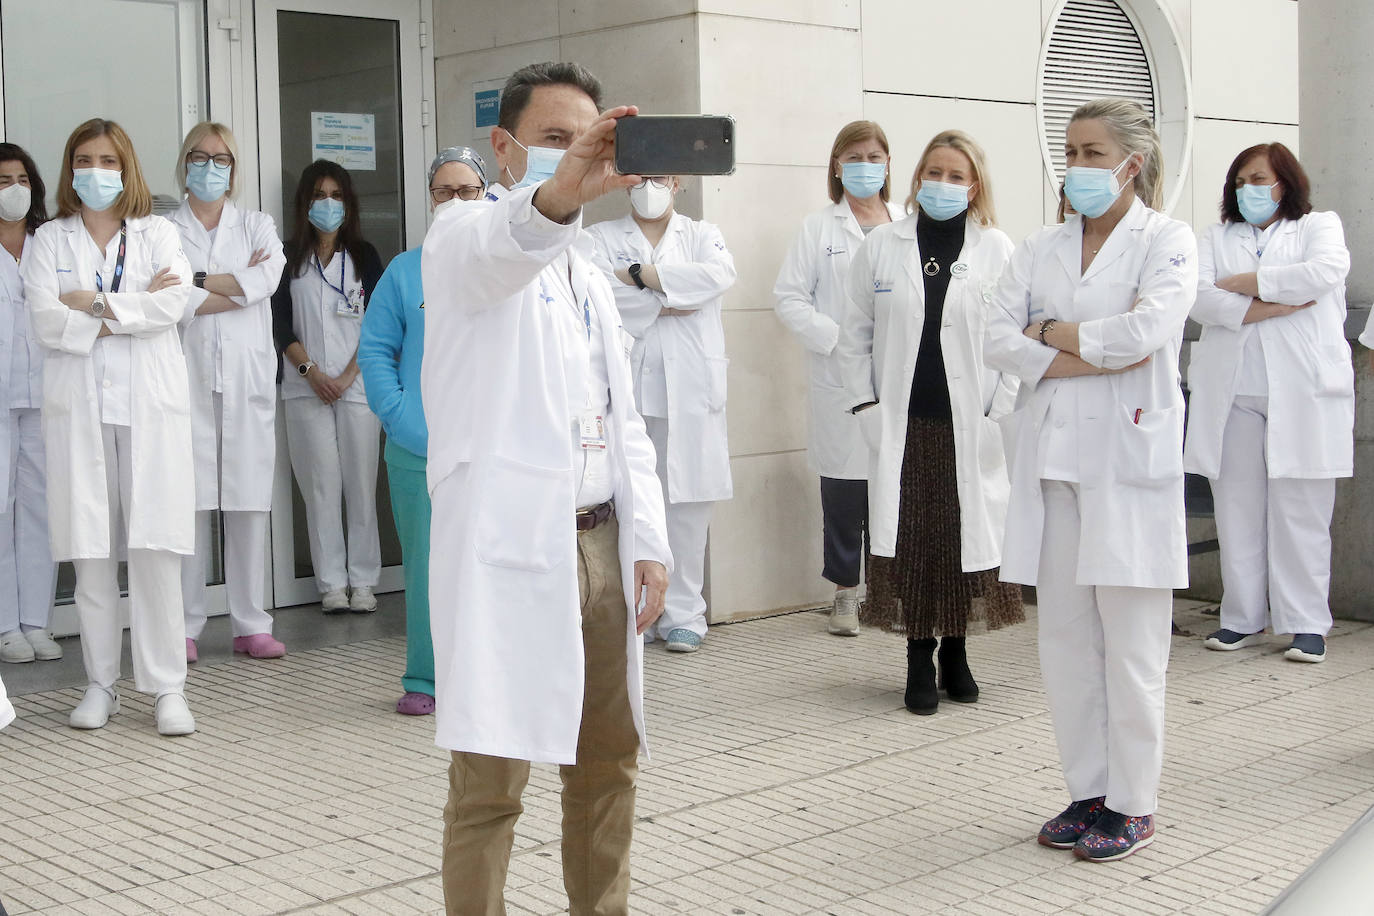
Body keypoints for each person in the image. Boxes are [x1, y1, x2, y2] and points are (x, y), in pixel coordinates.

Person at [420, 61, 670, 913]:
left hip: (603, 540)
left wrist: (651, 546)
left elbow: (621, 417)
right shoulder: (461, 235)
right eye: (555, 140)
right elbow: (511, 244)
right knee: (490, 782)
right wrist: (563, 186)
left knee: (607, 765)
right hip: (514, 547)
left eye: (589, 142)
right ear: (503, 146)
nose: (575, 159)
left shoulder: (592, 273)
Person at [984, 98, 1197, 862]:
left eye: (1092, 153)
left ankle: (1134, 803)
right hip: (1055, 464)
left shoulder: (1167, 240)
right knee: (1067, 642)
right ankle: (1088, 790)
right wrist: (1086, 351)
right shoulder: (1041, 246)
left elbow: (1148, 333)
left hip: (1128, 464)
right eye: (1070, 152)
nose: (1076, 167)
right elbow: (995, 336)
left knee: (1133, 646)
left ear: (1131, 164)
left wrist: (1050, 336)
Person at [839, 129, 1023, 715]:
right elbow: (853, 335)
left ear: (975, 187)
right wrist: (866, 408)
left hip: (970, 421)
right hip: (903, 419)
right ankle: (919, 656)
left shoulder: (997, 250)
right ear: (916, 179)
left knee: (961, 540)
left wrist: (1002, 410)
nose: (942, 185)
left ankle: (957, 654)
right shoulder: (882, 246)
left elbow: (1016, 338)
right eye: (933, 173)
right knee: (914, 542)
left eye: (955, 176)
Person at [22, 118, 197, 735]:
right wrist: (131, 306)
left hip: (148, 408)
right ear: (71, 168)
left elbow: (172, 305)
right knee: (91, 551)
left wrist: (91, 304)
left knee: (154, 550)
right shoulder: (49, 240)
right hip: (80, 411)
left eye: (107, 160)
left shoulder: (160, 234)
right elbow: (45, 320)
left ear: (127, 167)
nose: (96, 172)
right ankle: (101, 684)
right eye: (85, 160)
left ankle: (166, 688)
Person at [1184, 143, 1352, 664]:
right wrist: (1278, 302)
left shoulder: (1318, 227)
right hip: (1232, 394)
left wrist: (1248, 285)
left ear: (1286, 182)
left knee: (1301, 511)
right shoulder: (1213, 237)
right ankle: (1241, 617)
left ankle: (1306, 624)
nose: (1247, 190)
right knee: (1237, 510)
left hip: (1302, 392)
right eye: (1240, 182)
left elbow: (1324, 273)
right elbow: (1198, 297)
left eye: (1258, 179)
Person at [359, 146, 487, 716]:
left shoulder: (503, 272)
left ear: (488, 196)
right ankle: (426, 679)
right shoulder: (405, 271)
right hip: (418, 451)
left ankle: (488, 678)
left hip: (493, 449)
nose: (456, 202)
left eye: (468, 191)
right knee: (428, 567)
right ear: (430, 200)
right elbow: (376, 352)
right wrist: (406, 420)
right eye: (445, 192)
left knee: (492, 565)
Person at [588, 175, 734, 653]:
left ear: (677, 183)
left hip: (690, 390)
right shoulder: (601, 237)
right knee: (632, 499)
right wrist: (671, 294)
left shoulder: (702, 234)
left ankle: (685, 614)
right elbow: (600, 295)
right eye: (641, 177)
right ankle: (635, 610)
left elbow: (716, 278)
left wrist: (640, 277)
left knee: (688, 504)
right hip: (631, 384)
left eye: (660, 178)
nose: (650, 187)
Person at [773, 120, 903, 637]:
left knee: (895, 487)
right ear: (836, 165)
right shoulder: (818, 228)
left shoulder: (907, 223)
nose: (865, 166)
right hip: (839, 379)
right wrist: (836, 339)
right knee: (846, 490)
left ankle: (889, 593)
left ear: (889, 164)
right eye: (854, 157)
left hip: (897, 376)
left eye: (874, 157)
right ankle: (846, 594)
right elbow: (788, 297)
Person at [169, 122, 287, 662]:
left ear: (234, 169)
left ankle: (250, 622)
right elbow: (172, 300)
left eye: (221, 159)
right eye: (200, 157)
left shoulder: (257, 224)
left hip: (246, 381)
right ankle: (185, 624)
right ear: (185, 163)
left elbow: (267, 281)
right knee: (188, 504)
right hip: (185, 378)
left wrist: (198, 284)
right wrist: (232, 285)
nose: (210, 167)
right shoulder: (164, 229)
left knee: (246, 502)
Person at [271, 161, 384, 613]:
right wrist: (311, 374)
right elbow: (279, 326)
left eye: (336, 195)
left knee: (360, 483)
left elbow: (377, 323)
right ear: (305, 203)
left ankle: (364, 581)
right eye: (319, 195)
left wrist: (344, 376)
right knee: (320, 485)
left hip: (356, 385)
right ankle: (332, 584)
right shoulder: (287, 257)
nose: (328, 204)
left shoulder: (365, 255)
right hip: (305, 387)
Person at [0, 143, 59, 665]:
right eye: (2, 181)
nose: (14, 189)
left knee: (41, 508)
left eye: (21, 179)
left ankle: (36, 620)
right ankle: (4, 624)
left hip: (43, 393)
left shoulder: (48, 245)